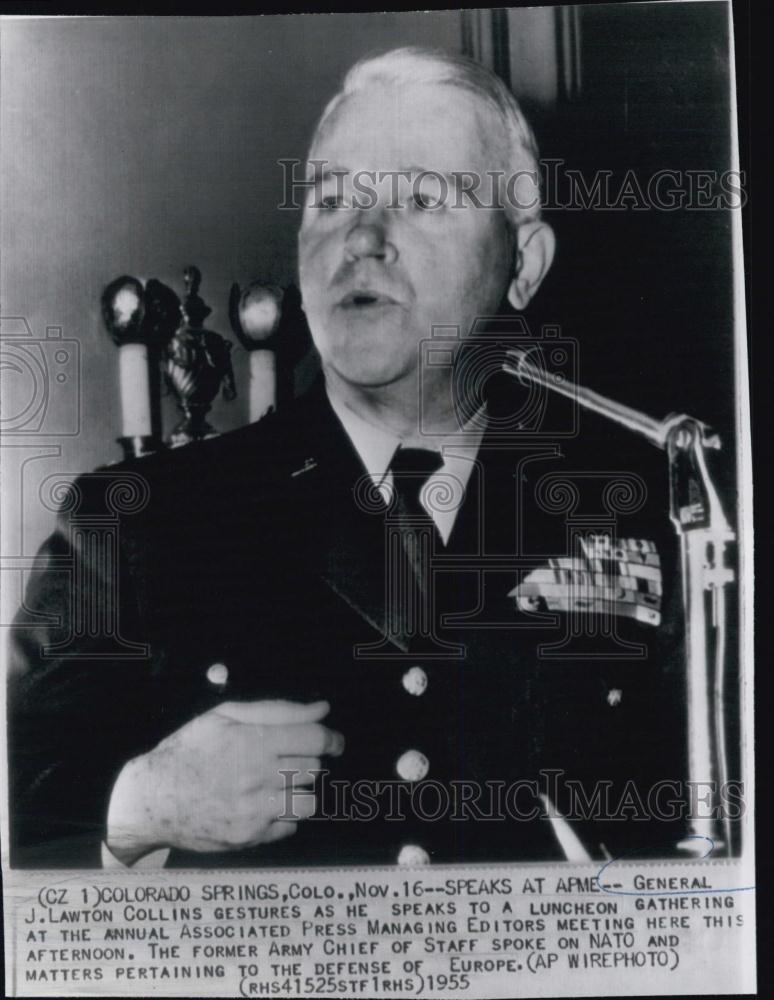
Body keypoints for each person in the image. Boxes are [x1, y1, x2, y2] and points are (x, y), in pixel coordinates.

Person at [8, 47, 687, 869]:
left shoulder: (654, 511)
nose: (361, 237)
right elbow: (21, 817)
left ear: (524, 263)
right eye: (331, 200)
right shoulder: (140, 524)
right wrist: (141, 805)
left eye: (423, 199)